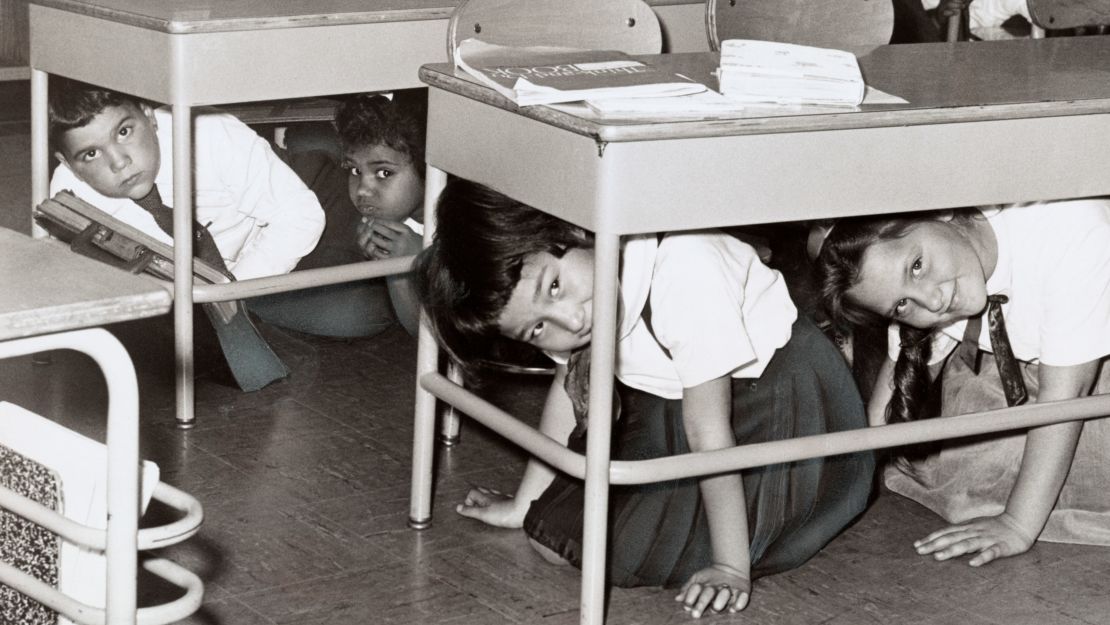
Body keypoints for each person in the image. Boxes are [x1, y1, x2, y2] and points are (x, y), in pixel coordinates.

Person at [414, 179, 874, 618]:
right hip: (678, 405)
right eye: (536, 328)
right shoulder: (568, 302)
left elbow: (709, 431)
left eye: (554, 287)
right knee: (550, 533)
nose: (570, 322)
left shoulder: (684, 265)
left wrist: (731, 566)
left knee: (610, 545)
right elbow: (567, 390)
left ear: (572, 228)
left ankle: (732, 533)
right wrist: (524, 503)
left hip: (777, 406)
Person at [811, 198, 1110, 567]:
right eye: (901, 305)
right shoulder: (931, 276)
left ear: (941, 210)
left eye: (917, 266)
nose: (932, 301)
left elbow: (1067, 398)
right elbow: (885, 405)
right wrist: (839, 484)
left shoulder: (1069, 228)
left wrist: (1017, 524)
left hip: (1084, 386)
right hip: (1038, 378)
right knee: (956, 465)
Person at [48, 76, 325, 391]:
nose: (119, 162)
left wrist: (232, 290)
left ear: (149, 115)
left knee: (353, 313)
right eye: (90, 154)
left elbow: (299, 215)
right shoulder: (68, 194)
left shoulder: (208, 131)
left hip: (285, 212)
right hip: (194, 287)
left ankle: (317, 143)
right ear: (69, 166)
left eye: (124, 132)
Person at [255, 90, 428, 337]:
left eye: (384, 173)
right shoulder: (335, 183)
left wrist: (400, 269)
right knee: (311, 141)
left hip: (338, 264)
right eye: (355, 171)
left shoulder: (456, 221)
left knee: (359, 314)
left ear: (428, 168)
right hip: (314, 210)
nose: (364, 190)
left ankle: (235, 297)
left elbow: (429, 340)